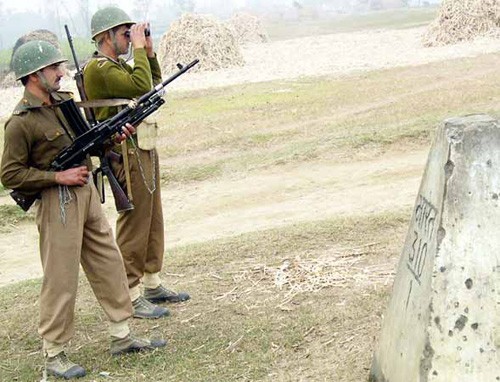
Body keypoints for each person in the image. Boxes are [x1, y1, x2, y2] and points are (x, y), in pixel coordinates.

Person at [0, 40, 166, 380]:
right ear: (34, 76)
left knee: (108, 260)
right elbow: (9, 174)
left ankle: (122, 335)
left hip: (86, 192)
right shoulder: (20, 122)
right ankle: (54, 353)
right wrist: (56, 176)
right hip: (56, 201)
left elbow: (88, 141)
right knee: (61, 277)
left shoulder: (63, 103)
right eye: (53, 69)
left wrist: (113, 137)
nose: (61, 73)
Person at [84, 6, 190, 320]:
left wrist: (150, 53)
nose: (130, 39)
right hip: (124, 151)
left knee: (152, 217)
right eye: (124, 33)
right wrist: (142, 52)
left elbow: (152, 85)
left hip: (141, 145)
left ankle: (152, 281)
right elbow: (141, 84)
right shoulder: (100, 68)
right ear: (105, 36)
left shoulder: (116, 65)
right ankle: (129, 291)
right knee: (134, 223)